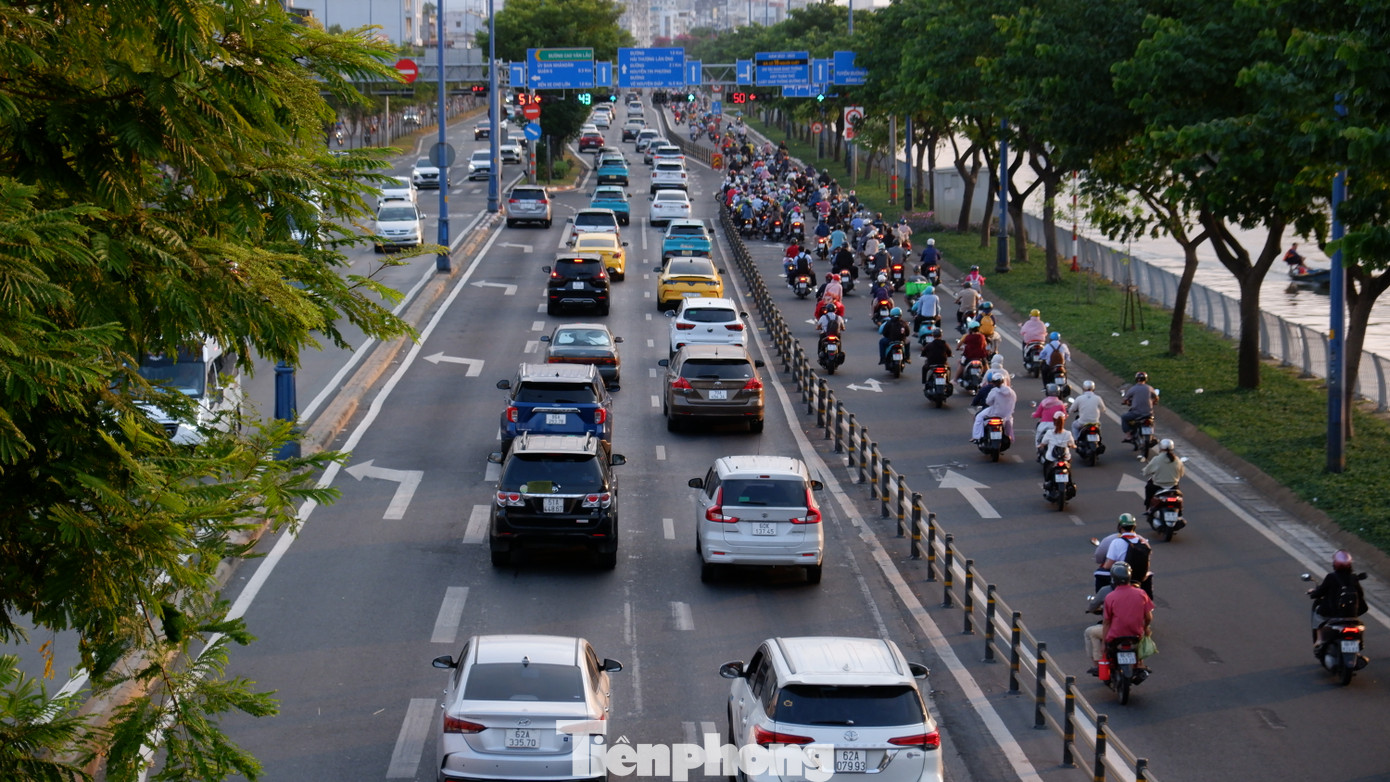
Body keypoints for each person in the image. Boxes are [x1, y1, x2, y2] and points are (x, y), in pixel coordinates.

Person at [1084, 562, 1153, 676]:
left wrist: (1104, 645)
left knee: (1089, 632)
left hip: (1115, 635)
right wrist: (1145, 628)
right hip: (1136, 634)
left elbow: (1106, 622)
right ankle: (1140, 663)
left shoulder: (1110, 596)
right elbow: (1148, 617)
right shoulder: (1141, 593)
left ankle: (1098, 664)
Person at [1307, 550, 1369, 641]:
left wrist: (1313, 593)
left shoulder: (1331, 577)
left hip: (1332, 614)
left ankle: (1319, 641)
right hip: (1351, 615)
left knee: (1318, 616)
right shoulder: (1353, 578)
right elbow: (1361, 595)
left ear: (1335, 563)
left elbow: (1321, 591)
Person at [1102, 514, 1153, 597]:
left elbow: (1108, 566)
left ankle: (1102, 604)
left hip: (1122, 578)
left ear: (1120, 527)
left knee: (1099, 573)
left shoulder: (1117, 542)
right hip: (1140, 578)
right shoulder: (1144, 541)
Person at [971, 371, 1017, 442]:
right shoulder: (1010, 391)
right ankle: (1009, 436)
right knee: (1009, 421)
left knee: (979, 417)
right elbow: (1014, 400)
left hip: (994, 412)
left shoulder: (994, 391)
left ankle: (977, 436)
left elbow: (988, 402)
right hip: (1006, 413)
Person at [1142, 439, 1184, 506]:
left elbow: (1146, 472)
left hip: (1157, 486)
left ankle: (1148, 509)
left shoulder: (1156, 459)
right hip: (1173, 486)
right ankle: (1180, 512)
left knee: (1148, 489)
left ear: (1160, 448)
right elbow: (1181, 474)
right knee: (1179, 497)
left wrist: (1145, 472)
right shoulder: (1177, 460)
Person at [1121, 371, 1159, 442]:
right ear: (1145, 379)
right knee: (1152, 421)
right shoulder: (1149, 388)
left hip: (1136, 413)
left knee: (1124, 418)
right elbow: (1156, 398)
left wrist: (1125, 402)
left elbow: (1125, 399)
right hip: (1148, 413)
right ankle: (1152, 436)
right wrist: (1154, 402)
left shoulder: (1133, 389)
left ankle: (1128, 435)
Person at [1037, 411, 1077, 480]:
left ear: (1053, 420)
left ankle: (1047, 481)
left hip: (1051, 458)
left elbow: (1043, 443)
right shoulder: (1068, 433)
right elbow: (1072, 444)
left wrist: (1040, 445)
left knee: (1046, 468)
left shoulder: (1049, 433)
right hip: (1065, 457)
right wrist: (1073, 446)